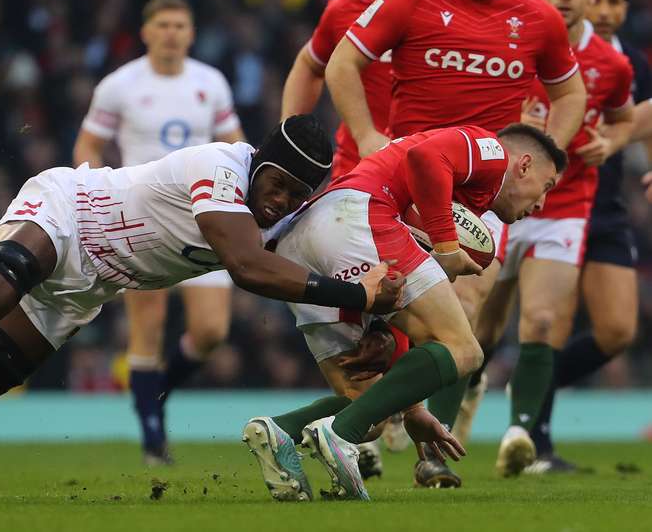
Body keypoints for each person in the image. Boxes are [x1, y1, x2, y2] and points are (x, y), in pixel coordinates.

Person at [0, 115, 404, 502]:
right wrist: (358, 295)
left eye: (297, 197)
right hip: (67, 211)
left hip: (89, 287)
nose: (281, 204)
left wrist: (378, 344)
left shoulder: (282, 217)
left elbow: (304, 288)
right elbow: (252, 270)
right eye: (277, 187)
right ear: (260, 165)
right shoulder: (221, 167)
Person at [322, 0, 587, 487]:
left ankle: (430, 452)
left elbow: (570, 95)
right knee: (386, 314)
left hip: (481, 193)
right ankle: (384, 412)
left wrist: (544, 162)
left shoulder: (537, 17)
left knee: (463, 308)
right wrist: (366, 136)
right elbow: (342, 63)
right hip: (410, 178)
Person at [242, 123, 568, 501]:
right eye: (547, 187)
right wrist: (446, 246)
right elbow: (425, 157)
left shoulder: (443, 198)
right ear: (524, 165)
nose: (542, 205)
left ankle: (281, 430)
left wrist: (412, 409)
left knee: (367, 409)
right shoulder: (492, 153)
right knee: (465, 350)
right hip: (359, 213)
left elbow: (400, 293)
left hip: (304, 239)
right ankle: (338, 436)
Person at [280, 0, 441, 477]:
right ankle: (376, 427)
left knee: (436, 314)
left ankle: (411, 440)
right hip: (359, 183)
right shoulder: (349, 9)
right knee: (374, 318)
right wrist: (291, 148)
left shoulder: (450, 12)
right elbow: (309, 64)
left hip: (429, 185)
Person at [473, 0, 634, 477]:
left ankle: (529, 422)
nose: (597, 5)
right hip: (508, 199)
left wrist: (612, 146)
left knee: (584, 325)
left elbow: (627, 119)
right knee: (484, 324)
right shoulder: (518, 42)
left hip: (587, 203)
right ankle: (480, 424)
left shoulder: (618, 64)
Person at [72, 0, 245, 464]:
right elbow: (89, 140)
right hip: (140, 218)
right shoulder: (119, 85)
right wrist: (96, 190)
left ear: (191, 33)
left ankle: (155, 391)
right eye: (163, 25)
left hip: (203, 219)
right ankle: (153, 439)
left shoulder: (210, 83)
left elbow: (234, 141)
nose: (172, 33)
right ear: (146, 31)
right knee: (145, 329)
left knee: (211, 330)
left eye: (180, 25)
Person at [282, 0, 441, 177]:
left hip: (433, 172)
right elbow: (310, 64)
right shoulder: (346, 8)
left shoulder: (457, 14)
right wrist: (287, 137)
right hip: (357, 170)